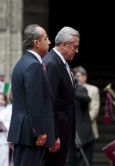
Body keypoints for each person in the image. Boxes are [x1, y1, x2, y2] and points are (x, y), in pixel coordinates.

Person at [7, 24, 55, 166]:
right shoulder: (33, 65)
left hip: (23, 131)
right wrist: (39, 131)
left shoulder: (22, 62)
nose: (49, 42)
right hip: (30, 133)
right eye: (46, 38)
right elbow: (34, 101)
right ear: (36, 43)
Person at [43, 26, 80, 166]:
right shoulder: (52, 63)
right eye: (75, 47)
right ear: (64, 45)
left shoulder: (61, 62)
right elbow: (50, 102)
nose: (76, 51)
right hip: (56, 135)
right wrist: (53, 134)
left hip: (63, 133)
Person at [0, 93, 12, 166]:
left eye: (1, 99)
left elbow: (8, 125)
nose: (0, 101)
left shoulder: (8, 110)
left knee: (3, 161)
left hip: (3, 140)